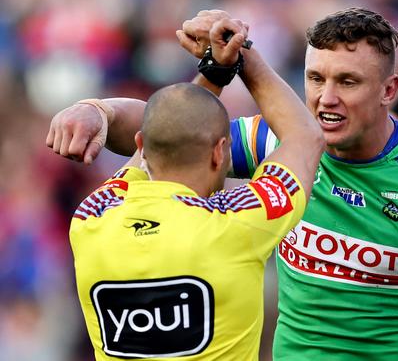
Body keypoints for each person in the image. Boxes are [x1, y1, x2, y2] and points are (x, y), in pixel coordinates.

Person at [48, 8, 398, 361]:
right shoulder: (269, 143)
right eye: (316, 79)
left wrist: (239, 55)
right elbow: (175, 133)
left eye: (347, 82)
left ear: (389, 89)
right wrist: (97, 110)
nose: (326, 98)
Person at [57, 19, 324, 360]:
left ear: (140, 145)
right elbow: (305, 136)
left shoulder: (92, 217)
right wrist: (240, 51)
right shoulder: (237, 222)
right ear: (218, 152)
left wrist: (214, 73)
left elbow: (162, 131)